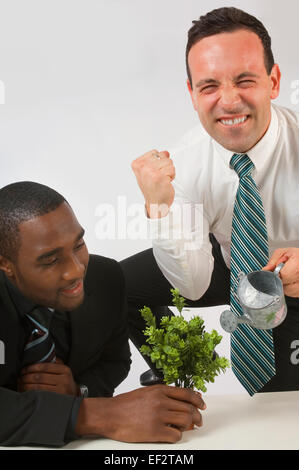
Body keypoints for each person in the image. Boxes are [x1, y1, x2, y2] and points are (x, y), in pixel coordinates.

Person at [121, 7, 299, 392]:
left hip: (291, 278)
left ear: (274, 81)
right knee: (114, 285)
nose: (229, 101)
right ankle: (178, 376)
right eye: (209, 86)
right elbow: (194, 286)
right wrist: (161, 207)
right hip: (231, 259)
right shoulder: (183, 162)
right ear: (192, 93)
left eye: (245, 80)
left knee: (280, 404)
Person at [0, 181, 205, 447]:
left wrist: (78, 390)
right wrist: (92, 414)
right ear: (5, 264)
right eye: (50, 260)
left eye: (78, 245)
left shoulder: (105, 278)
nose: (75, 271)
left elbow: (115, 362)